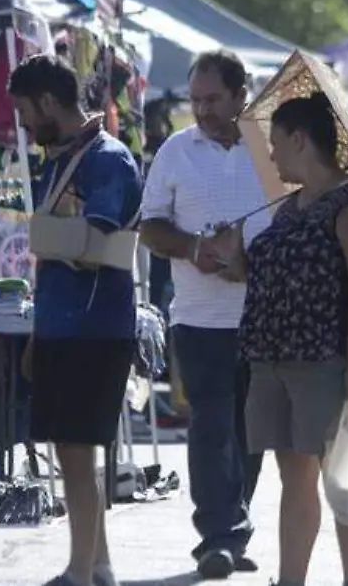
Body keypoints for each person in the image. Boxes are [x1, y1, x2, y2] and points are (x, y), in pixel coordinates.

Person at [227, 93, 348, 586]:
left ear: (300, 139)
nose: (271, 155)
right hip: (272, 360)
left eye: (275, 144)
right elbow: (274, 274)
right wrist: (236, 260)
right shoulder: (290, 205)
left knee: (344, 481)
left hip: (325, 361)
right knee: (293, 478)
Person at [9, 55, 142, 586]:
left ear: (48, 102)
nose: (20, 123)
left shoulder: (107, 158)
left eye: (24, 110)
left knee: (77, 449)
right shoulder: (58, 160)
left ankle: (79, 572)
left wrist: (48, 238)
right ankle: (99, 564)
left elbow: (100, 244)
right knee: (73, 452)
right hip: (62, 325)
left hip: (96, 326)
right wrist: (39, 334)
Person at [140, 50, 267, 578]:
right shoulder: (175, 150)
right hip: (197, 319)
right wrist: (196, 249)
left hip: (263, 317)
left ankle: (233, 527)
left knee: (251, 433)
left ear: (242, 95)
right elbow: (148, 226)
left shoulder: (272, 150)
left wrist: (249, 263)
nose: (202, 109)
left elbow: (296, 225)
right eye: (195, 100)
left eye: (213, 99)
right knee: (212, 426)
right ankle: (218, 534)